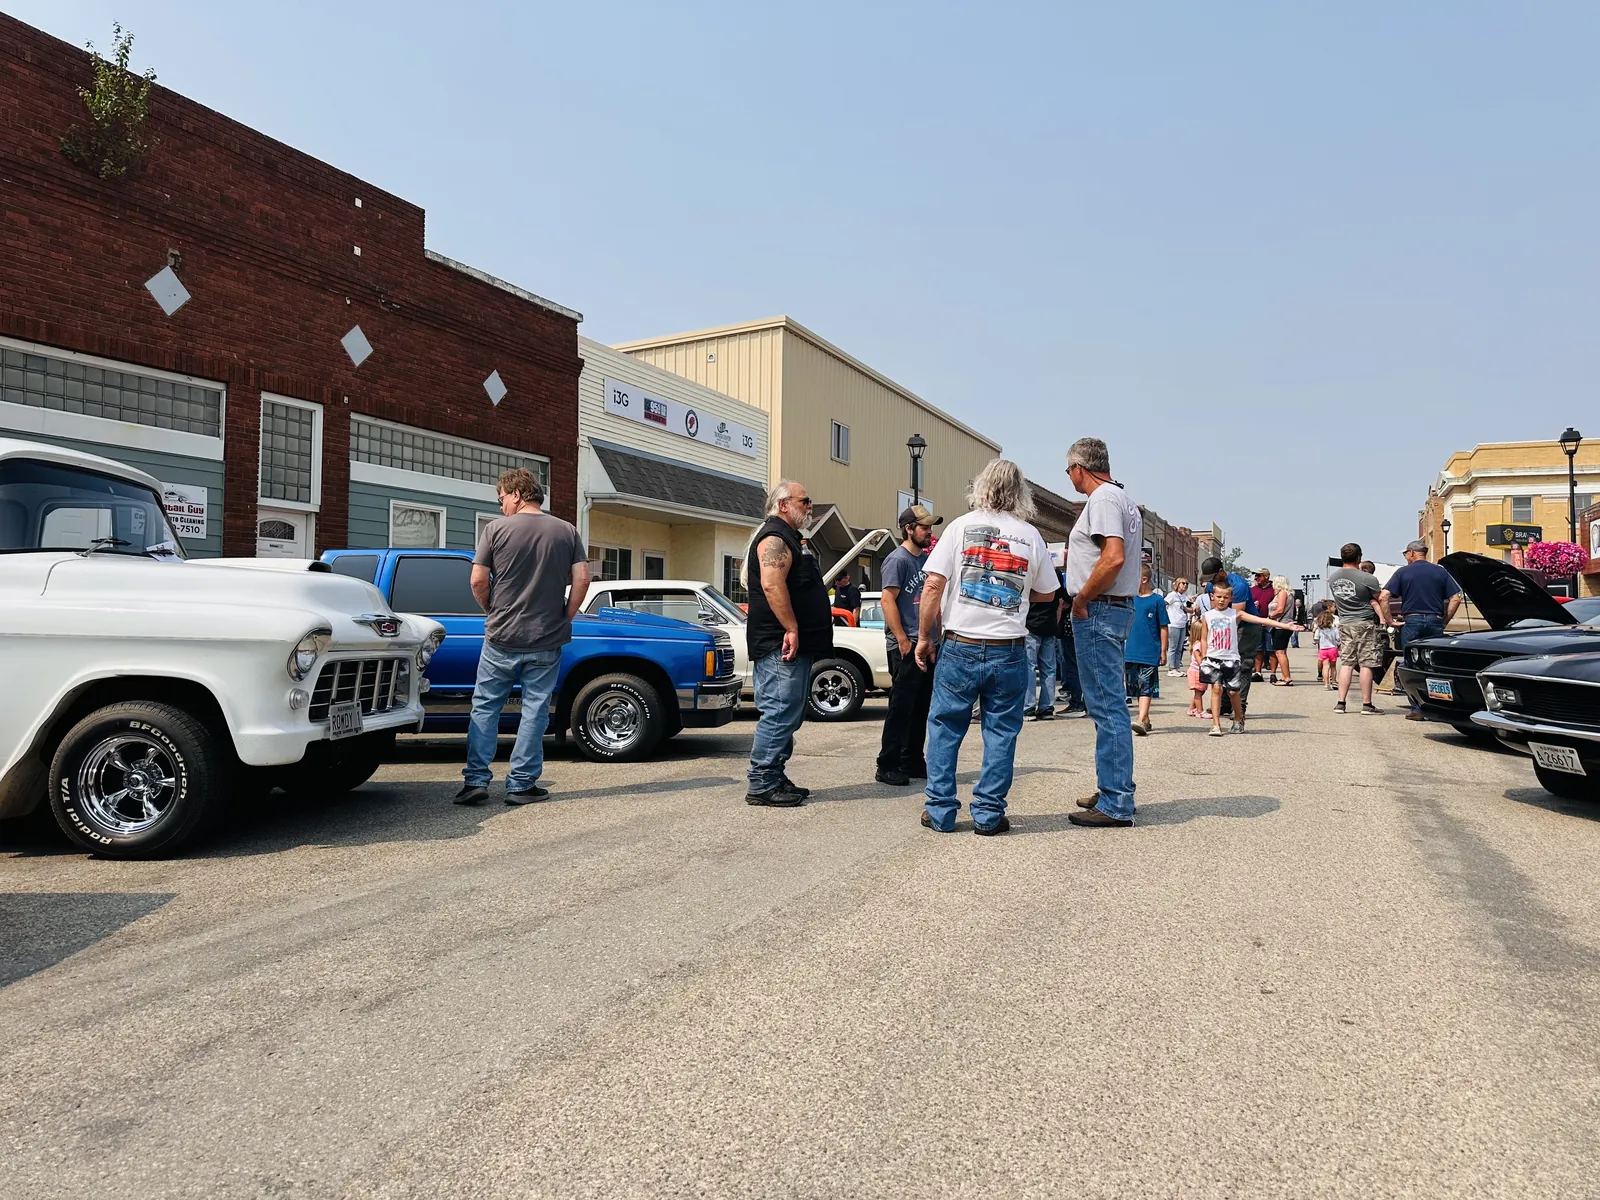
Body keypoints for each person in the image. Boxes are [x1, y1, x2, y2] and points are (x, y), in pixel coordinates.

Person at [914, 459, 1058, 836]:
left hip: (960, 642)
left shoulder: (960, 528)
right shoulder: (1030, 535)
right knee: (1001, 732)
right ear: (1020, 494)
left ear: (980, 487)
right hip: (1008, 646)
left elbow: (932, 585)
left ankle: (941, 812)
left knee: (945, 728)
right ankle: (988, 814)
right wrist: (1018, 593)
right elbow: (1047, 592)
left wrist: (925, 637)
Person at [457, 468, 590, 807]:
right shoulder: (567, 531)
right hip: (547, 638)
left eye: (501, 499)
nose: (501, 506)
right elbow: (582, 580)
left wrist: (491, 610)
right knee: (535, 709)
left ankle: (475, 780)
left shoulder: (495, 530)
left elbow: (476, 580)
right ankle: (520, 784)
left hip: (501, 636)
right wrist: (567, 616)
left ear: (516, 494)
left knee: (485, 706)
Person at [1060, 438, 1144, 828]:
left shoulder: (1104, 500)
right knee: (1106, 705)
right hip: (1112, 608)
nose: (1069, 478)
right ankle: (1113, 785)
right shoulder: (1122, 499)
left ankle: (1115, 801)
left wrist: (1082, 598)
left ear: (1080, 467)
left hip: (1099, 609)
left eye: (1068, 470)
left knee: (1107, 706)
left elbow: (1113, 556)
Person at [744, 480, 833, 806]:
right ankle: (761, 783)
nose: (810, 507)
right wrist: (792, 627)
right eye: (805, 501)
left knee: (789, 715)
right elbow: (771, 584)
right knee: (780, 712)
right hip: (779, 643)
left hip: (795, 644)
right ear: (783, 504)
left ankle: (775, 776)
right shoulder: (774, 539)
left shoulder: (792, 540)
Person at [875, 504, 942, 785]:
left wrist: (935, 639)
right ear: (908, 529)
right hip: (906, 643)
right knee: (901, 707)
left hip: (926, 643)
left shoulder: (926, 561)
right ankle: (887, 764)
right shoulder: (897, 560)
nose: (929, 532)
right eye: (924, 527)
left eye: (929, 527)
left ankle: (912, 759)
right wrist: (902, 638)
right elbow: (887, 600)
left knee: (921, 706)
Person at [1198, 583, 1303, 735]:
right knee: (1216, 689)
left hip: (1231, 659)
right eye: (1219, 597)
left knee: (1233, 692)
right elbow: (1203, 639)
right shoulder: (1207, 616)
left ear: (1231, 599)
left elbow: (1260, 620)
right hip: (1213, 658)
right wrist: (1203, 657)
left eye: (1225, 597)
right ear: (1212, 596)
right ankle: (1216, 725)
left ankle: (1238, 718)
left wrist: (1286, 626)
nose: (1221, 600)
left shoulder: (1236, 614)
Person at [1381, 539, 1464, 720]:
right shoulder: (1440, 572)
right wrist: (1444, 620)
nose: (1405, 557)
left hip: (1412, 621)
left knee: (1411, 663)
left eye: (1405, 554)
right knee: (1434, 665)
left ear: (1411, 553)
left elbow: (1384, 596)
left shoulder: (1403, 572)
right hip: (1435, 621)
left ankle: (1417, 708)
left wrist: (1389, 621)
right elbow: (1456, 598)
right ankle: (1438, 706)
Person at [1328, 542, 1389, 715]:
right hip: (1364, 623)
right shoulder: (1367, 578)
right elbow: (1379, 598)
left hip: (1345, 622)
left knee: (1347, 662)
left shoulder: (1333, 578)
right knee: (1366, 664)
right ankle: (1367, 704)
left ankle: (1340, 703)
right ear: (1359, 557)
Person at [1199, 556, 1261, 718]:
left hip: (1246, 628)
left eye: (1212, 577)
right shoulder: (1212, 585)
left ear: (1221, 571)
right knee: (1223, 664)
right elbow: (1215, 612)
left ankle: (1240, 706)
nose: (1210, 581)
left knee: (1243, 665)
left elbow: (1236, 618)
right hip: (1224, 628)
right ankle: (1225, 705)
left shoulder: (1238, 585)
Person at [1125, 564, 1169, 735]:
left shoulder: (1157, 601)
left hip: (1149, 651)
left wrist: (1163, 650)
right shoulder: (1129, 598)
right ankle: (1146, 718)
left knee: (1146, 685)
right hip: (1130, 650)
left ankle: (1140, 718)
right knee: (1136, 686)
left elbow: (1163, 626)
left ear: (1144, 579)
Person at [1024, 568, 1062, 721]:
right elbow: (1060, 602)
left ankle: (1028, 707)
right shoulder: (1056, 573)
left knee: (1029, 667)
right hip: (1049, 625)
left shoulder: (1029, 571)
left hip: (1030, 624)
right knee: (1049, 668)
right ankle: (1046, 707)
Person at [1054, 568, 1085, 714]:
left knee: (1071, 666)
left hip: (1069, 630)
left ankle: (1077, 702)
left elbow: (1064, 605)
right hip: (1076, 629)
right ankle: (1082, 701)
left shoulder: (1066, 592)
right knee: (1078, 666)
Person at [1268, 574, 1295, 685]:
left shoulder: (1282, 593)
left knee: (1280, 652)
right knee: (1282, 651)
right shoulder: (1289, 594)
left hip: (1281, 625)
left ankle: (1287, 678)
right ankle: (1285, 676)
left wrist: (1270, 616)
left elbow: (1280, 610)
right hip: (1284, 625)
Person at [1250, 568, 1277, 679]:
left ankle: (1273, 673)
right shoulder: (1253, 590)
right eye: (1255, 576)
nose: (1256, 578)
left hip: (1270, 623)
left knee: (1271, 649)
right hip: (1256, 622)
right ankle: (1258, 672)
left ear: (1266, 576)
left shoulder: (1274, 590)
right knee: (1258, 649)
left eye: (1259, 576)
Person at [1163, 577, 1190, 676]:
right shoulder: (1172, 595)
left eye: (1186, 584)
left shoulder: (1184, 597)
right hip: (1174, 623)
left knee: (1180, 647)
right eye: (1183, 583)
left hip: (1182, 623)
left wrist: (1187, 608)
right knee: (1173, 647)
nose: (1185, 585)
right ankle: (1171, 668)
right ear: (1177, 584)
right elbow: (1163, 604)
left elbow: (1189, 608)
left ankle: (1177, 667)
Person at [1312, 606, 1340, 689]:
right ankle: (1334, 682)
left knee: (1325, 667)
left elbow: (1316, 639)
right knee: (1333, 667)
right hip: (1332, 649)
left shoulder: (1319, 630)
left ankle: (1326, 684)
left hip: (1323, 649)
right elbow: (1338, 639)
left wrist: (1318, 642)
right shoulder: (1334, 629)